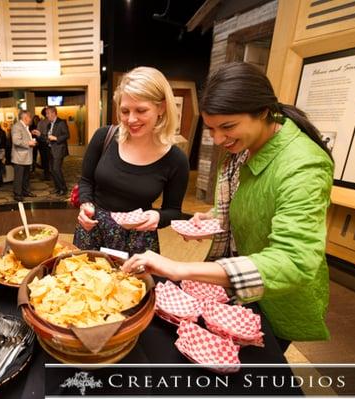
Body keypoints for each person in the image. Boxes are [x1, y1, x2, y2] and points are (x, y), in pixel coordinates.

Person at [121, 62, 334, 348]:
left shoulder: (303, 165)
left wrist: (179, 268)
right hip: (235, 286)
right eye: (211, 129)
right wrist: (211, 218)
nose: (219, 139)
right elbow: (250, 201)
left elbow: (294, 261)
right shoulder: (242, 148)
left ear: (262, 111)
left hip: (276, 296)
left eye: (228, 127)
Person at [74, 66, 189, 255]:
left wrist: (157, 217)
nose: (131, 119)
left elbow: (174, 211)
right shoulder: (105, 137)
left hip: (138, 238)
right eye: (125, 111)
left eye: (141, 110)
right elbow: (86, 180)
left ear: (161, 107)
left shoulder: (176, 160)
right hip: (93, 229)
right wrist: (85, 205)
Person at [11, 110, 37, 202]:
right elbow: (16, 141)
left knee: (25, 176)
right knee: (19, 177)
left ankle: (26, 191)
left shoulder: (25, 127)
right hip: (19, 157)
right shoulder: (17, 127)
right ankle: (17, 194)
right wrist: (29, 143)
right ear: (25, 117)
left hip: (26, 157)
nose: (31, 119)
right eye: (30, 117)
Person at [45, 106, 70, 195]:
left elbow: (67, 135)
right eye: (46, 114)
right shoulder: (49, 124)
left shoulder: (61, 122)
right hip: (50, 150)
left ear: (53, 113)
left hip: (59, 150)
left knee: (56, 169)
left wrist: (56, 138)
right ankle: (57, 187)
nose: (46, 115)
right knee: (52, 170)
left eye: (48, 113)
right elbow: (47, 136)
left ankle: (63, 188)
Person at [34, 107, 50, 180]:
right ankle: (50, 173)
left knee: (45, 159)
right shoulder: (51, 122)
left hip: (43, 144)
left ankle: (47, 174)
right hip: (50, 143)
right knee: (51, 159)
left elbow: (38, 134)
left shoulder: (40, 123)